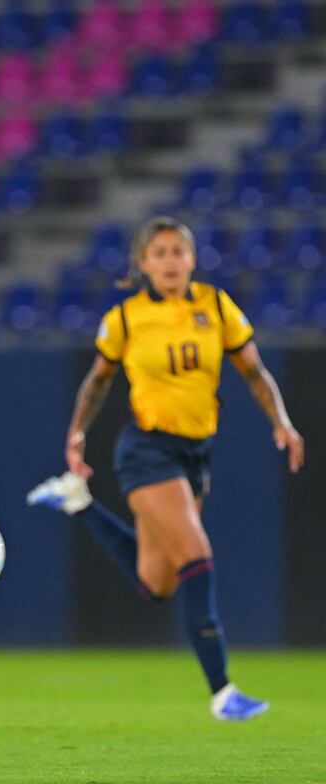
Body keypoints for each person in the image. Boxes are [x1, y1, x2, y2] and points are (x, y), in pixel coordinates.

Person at [26, 216, 304, 723]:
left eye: (179, 250)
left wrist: (281, 421)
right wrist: (77, 433)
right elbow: (97, 380)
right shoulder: (128, 318)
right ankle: (223, 692)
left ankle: (78, 503)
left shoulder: (216, 306)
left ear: (193, 259)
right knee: (197, 553)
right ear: (143, 264)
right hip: (147, 450)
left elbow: (255, 371)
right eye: (160, 252)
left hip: (195, 454)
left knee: (159, 582)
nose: (171, 260)